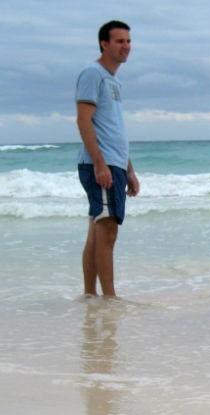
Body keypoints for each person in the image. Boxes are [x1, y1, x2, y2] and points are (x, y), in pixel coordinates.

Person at [76, 20, 140, 297]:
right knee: (107, 231)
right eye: (119, 41)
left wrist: (129, 169)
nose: (125, 46)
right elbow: (84, 121)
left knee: (97, 231)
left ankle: (91, 296)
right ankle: (109, 298)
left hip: (114, 164)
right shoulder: (93, 73)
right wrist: (100, 163)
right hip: (99, 165)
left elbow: (113, 129)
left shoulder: (114, 80)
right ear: (104, 43)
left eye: (128, 41)